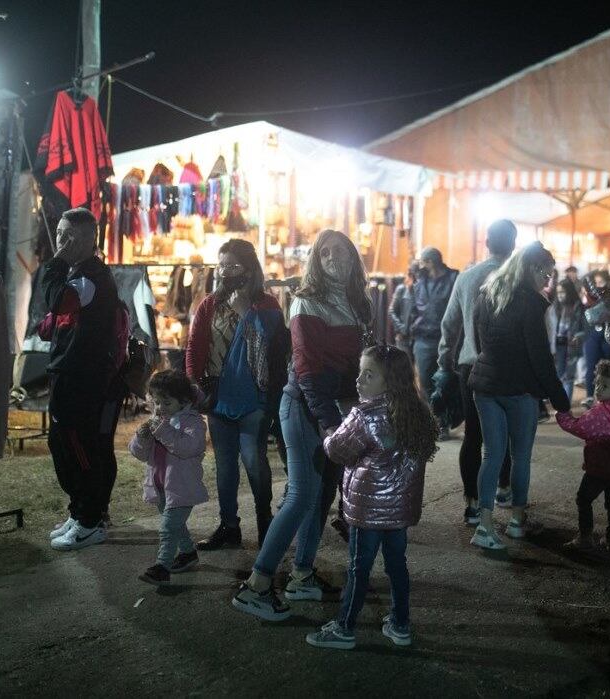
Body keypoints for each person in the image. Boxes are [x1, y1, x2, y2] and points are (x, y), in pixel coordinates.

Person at [232, 229, 371, 621]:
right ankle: (256, 586)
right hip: (303, 409)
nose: (331, 257)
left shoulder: (359, 302)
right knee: (300, 495)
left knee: (323, 493)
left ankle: (302, 574)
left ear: (351, 256)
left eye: (339, 250)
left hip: (335, 410)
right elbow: (308, 372)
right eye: (323, 252)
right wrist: (330, 427)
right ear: (315, 260)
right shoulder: (307, 302)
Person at [305, 345, 437, 650]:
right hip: (399, 511)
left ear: (389, 380)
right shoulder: (417, 412)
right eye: (359, 373)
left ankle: (344, 628)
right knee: (396, 566)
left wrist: (328, 432)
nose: (359, 381)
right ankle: (400, 624)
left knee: (358, 568)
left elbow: (337, 450)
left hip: (367, 510)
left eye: (369, 374)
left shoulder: (364, 415)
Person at [185, 239, 290, 550]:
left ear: (249, 269)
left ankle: (265, 523)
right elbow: (194, 347)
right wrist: (193, 383)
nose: (225, 272)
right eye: (222, 266)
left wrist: (248, 313)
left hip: (254, 395)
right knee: (225, 464)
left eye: (232, 266)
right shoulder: (209, 305)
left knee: (253, 459)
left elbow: (275, 349)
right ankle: (228, 526)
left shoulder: (268, 304)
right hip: (217, 394)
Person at [468, 241, 571, 550]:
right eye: (546, 273)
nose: (548, 281)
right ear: (530, 269)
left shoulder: (487, 293)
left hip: (485, 386)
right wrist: (560, 400)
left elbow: (476, 339)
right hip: (519, 389)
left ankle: (484, 526)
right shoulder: (531, 304)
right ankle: (516, 521)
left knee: (492, 454)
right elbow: (540, 358)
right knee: (520, 456)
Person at [44, 207, 122, 552]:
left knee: (79, 448)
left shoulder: (90, 276)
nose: (60, 241)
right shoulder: (84, 273)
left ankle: (90, 521)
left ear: (89, 240)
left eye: (69, 236)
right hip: (71, 373)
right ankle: (81, 513)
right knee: (64, 444)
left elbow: (57, 301)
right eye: (59, 233)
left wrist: (56, 264)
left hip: (82, 378)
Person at [433, 220, 516, 525]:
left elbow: (449, 323)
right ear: (513, 244)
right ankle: (503, 488)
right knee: (504, 431)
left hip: (470, 365)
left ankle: (471, 503)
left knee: (473, 434)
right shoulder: (516, 279)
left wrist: (444, 360)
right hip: (507, 366)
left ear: (487, 242)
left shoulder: (466, 278)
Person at [130, 370, 209, 585]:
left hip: (181, 487)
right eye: (156, 403)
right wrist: (142, 437)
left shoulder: (193, 423)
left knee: (167, 528)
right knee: (176, 526)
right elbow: (140, 454)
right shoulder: (159, 421)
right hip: (160, 485)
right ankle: (188, 553)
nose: (159, 408)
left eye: (166, 403)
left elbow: (188, 448)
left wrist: (162, 431)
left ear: (183, 401)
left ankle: (162, 567)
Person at [555, 360, 610, 551]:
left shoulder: (602, 412)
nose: (599, 388)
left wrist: (563, 414)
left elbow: (577, 426)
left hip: (599, 467)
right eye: (598, 383)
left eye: (605, 386)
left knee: (583, 499)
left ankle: (585, 537)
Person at [408, 247, 458, 408]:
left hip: (447, 339)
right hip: (422, 339)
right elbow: (413, 309)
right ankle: (432, 422)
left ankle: (443, 421)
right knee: (424, 382)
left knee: (446, 382)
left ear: (429, 262)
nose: (420, 265)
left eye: (422, 261)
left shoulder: (454, 279)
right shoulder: (419, 281)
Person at [580, 270, 610, 408]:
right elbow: (584, 280)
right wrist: (592, 273)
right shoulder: (590, 296)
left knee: (609, 367)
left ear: (608, 282)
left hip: (609, 335)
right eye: (596, 282)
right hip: (592, 335)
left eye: (601, 282)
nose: (598, 285)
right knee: (591, 366)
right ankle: (590, 396)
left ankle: (608, 398)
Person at [547, 278, 588, 399]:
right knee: (559, 374)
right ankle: (561, 401)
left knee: (569, 376)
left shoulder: (578, 307)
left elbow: (584, 327)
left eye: (563, 292)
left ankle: (565, 404)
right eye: (558, 292)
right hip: (559, 343)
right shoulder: (556, 307)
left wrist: (578, 336)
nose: (560, 295)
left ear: (569, 292)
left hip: (572, 344)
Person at [389, 261, 420, 356]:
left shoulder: (424, 290)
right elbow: (391, 311)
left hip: (418, 337)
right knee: (404, 367)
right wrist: (402, 329)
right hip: (403, 337)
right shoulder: (402, 289)